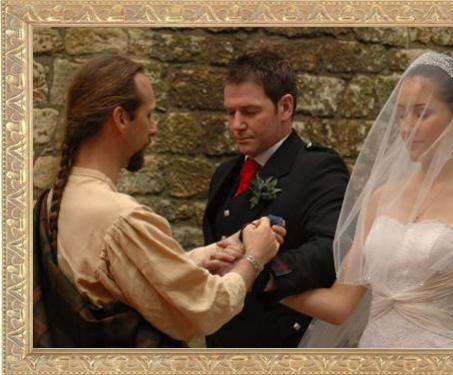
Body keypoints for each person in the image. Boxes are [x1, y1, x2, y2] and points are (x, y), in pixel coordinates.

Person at [32, 54, 285, 348]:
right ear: (121, 118)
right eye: (149, 115)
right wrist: (255, 257)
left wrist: (211, 253)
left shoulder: (55, 199)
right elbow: (205, 307)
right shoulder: (122, 219)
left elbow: (129, 280)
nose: (153, 129)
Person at [281, 52, 453, 348]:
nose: (407, 127)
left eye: (422, 113)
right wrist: (263, 280)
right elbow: (340, 304)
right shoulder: (381, 198)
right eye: (402, 113)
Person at [202, 49, 349, 347]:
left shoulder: (318, 168)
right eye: (231, 112)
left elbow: (330, 248)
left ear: (285, 107)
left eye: (250, 112)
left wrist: (260, 271)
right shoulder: (225, 173)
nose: (236, 124)